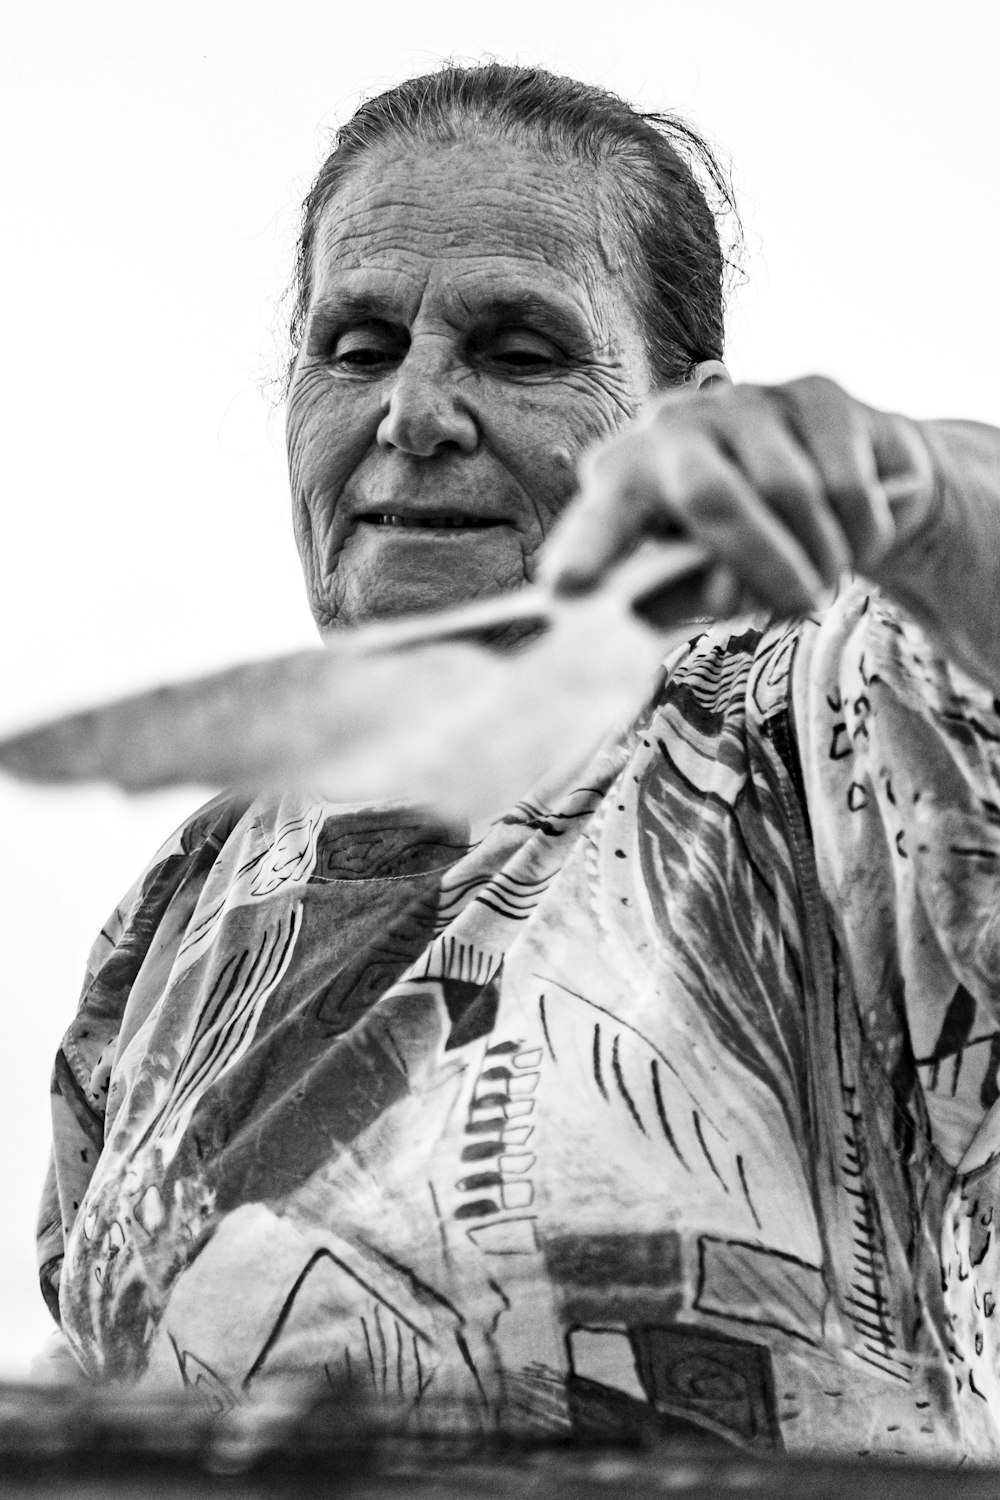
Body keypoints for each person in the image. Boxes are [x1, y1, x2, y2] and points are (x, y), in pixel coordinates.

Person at [34, 62, 1000, 1460]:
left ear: (683, 415)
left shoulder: (807, 743)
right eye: (357, 347)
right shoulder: (176, 914)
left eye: (519, 349)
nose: (413, 413)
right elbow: (111, 1357)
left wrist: (903, 477)